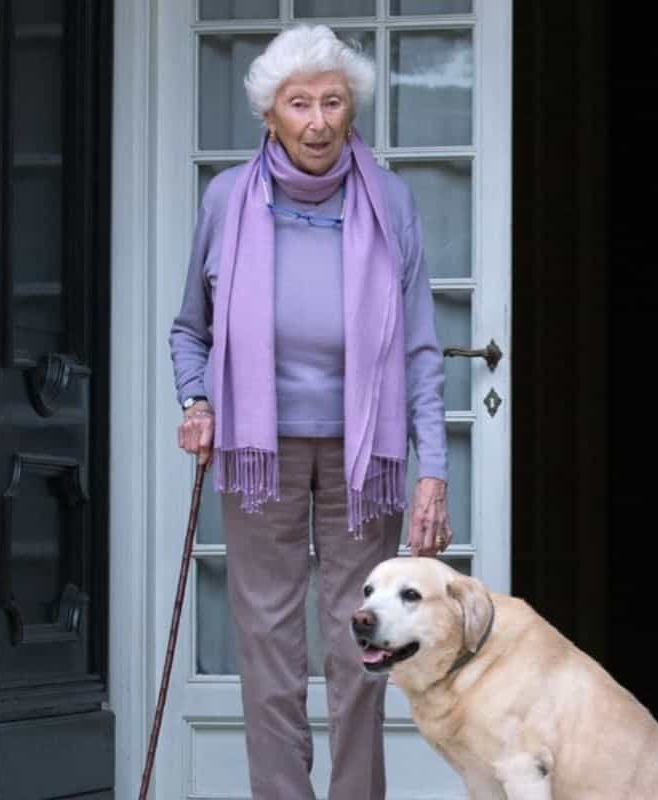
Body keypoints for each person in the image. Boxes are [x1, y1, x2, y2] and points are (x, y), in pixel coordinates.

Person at [168, 25, 451, 800]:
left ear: (351, 111)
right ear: (270, 116)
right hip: (262, 453)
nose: (320, 120)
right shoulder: (228, 199)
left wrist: (434, 473)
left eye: (333, 102)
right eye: (301, 104)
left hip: (367, 456)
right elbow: (189, 327)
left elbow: (421, 347)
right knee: (267, 642)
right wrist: (196, 399)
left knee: (361, 643)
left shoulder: (390, 200)